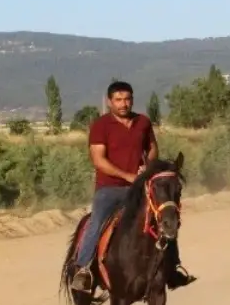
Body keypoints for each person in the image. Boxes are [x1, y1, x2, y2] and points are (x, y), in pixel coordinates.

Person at [70, 80, 195, 293]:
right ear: (110, 102)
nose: (123, 104)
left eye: (127, 99)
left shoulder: (143, 122)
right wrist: (128, 176)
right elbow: (98, 160)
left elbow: (153, 148)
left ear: (132, 100)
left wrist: (147, 168)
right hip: (109, 188)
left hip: (139, 188)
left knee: (165, 217)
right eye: (118, 100)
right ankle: (83, 269)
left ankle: (172, 268)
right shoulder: (101, 126)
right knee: (97, 220)